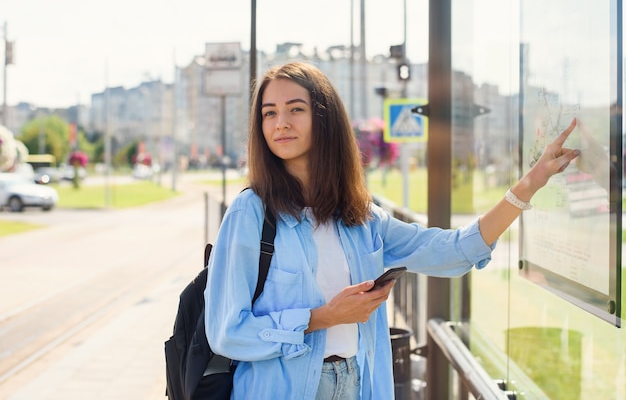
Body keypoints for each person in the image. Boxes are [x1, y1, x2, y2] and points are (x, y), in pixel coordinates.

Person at [204, 61, 579, 400]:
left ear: (325, 119)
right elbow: (227, 331)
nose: (281, 123)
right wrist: (325, 316)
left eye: (295, 109)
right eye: (269, 114)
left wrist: (529, 185)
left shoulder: (359, 216)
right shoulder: (250, 212)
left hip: (358, 384)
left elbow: (452, 250)